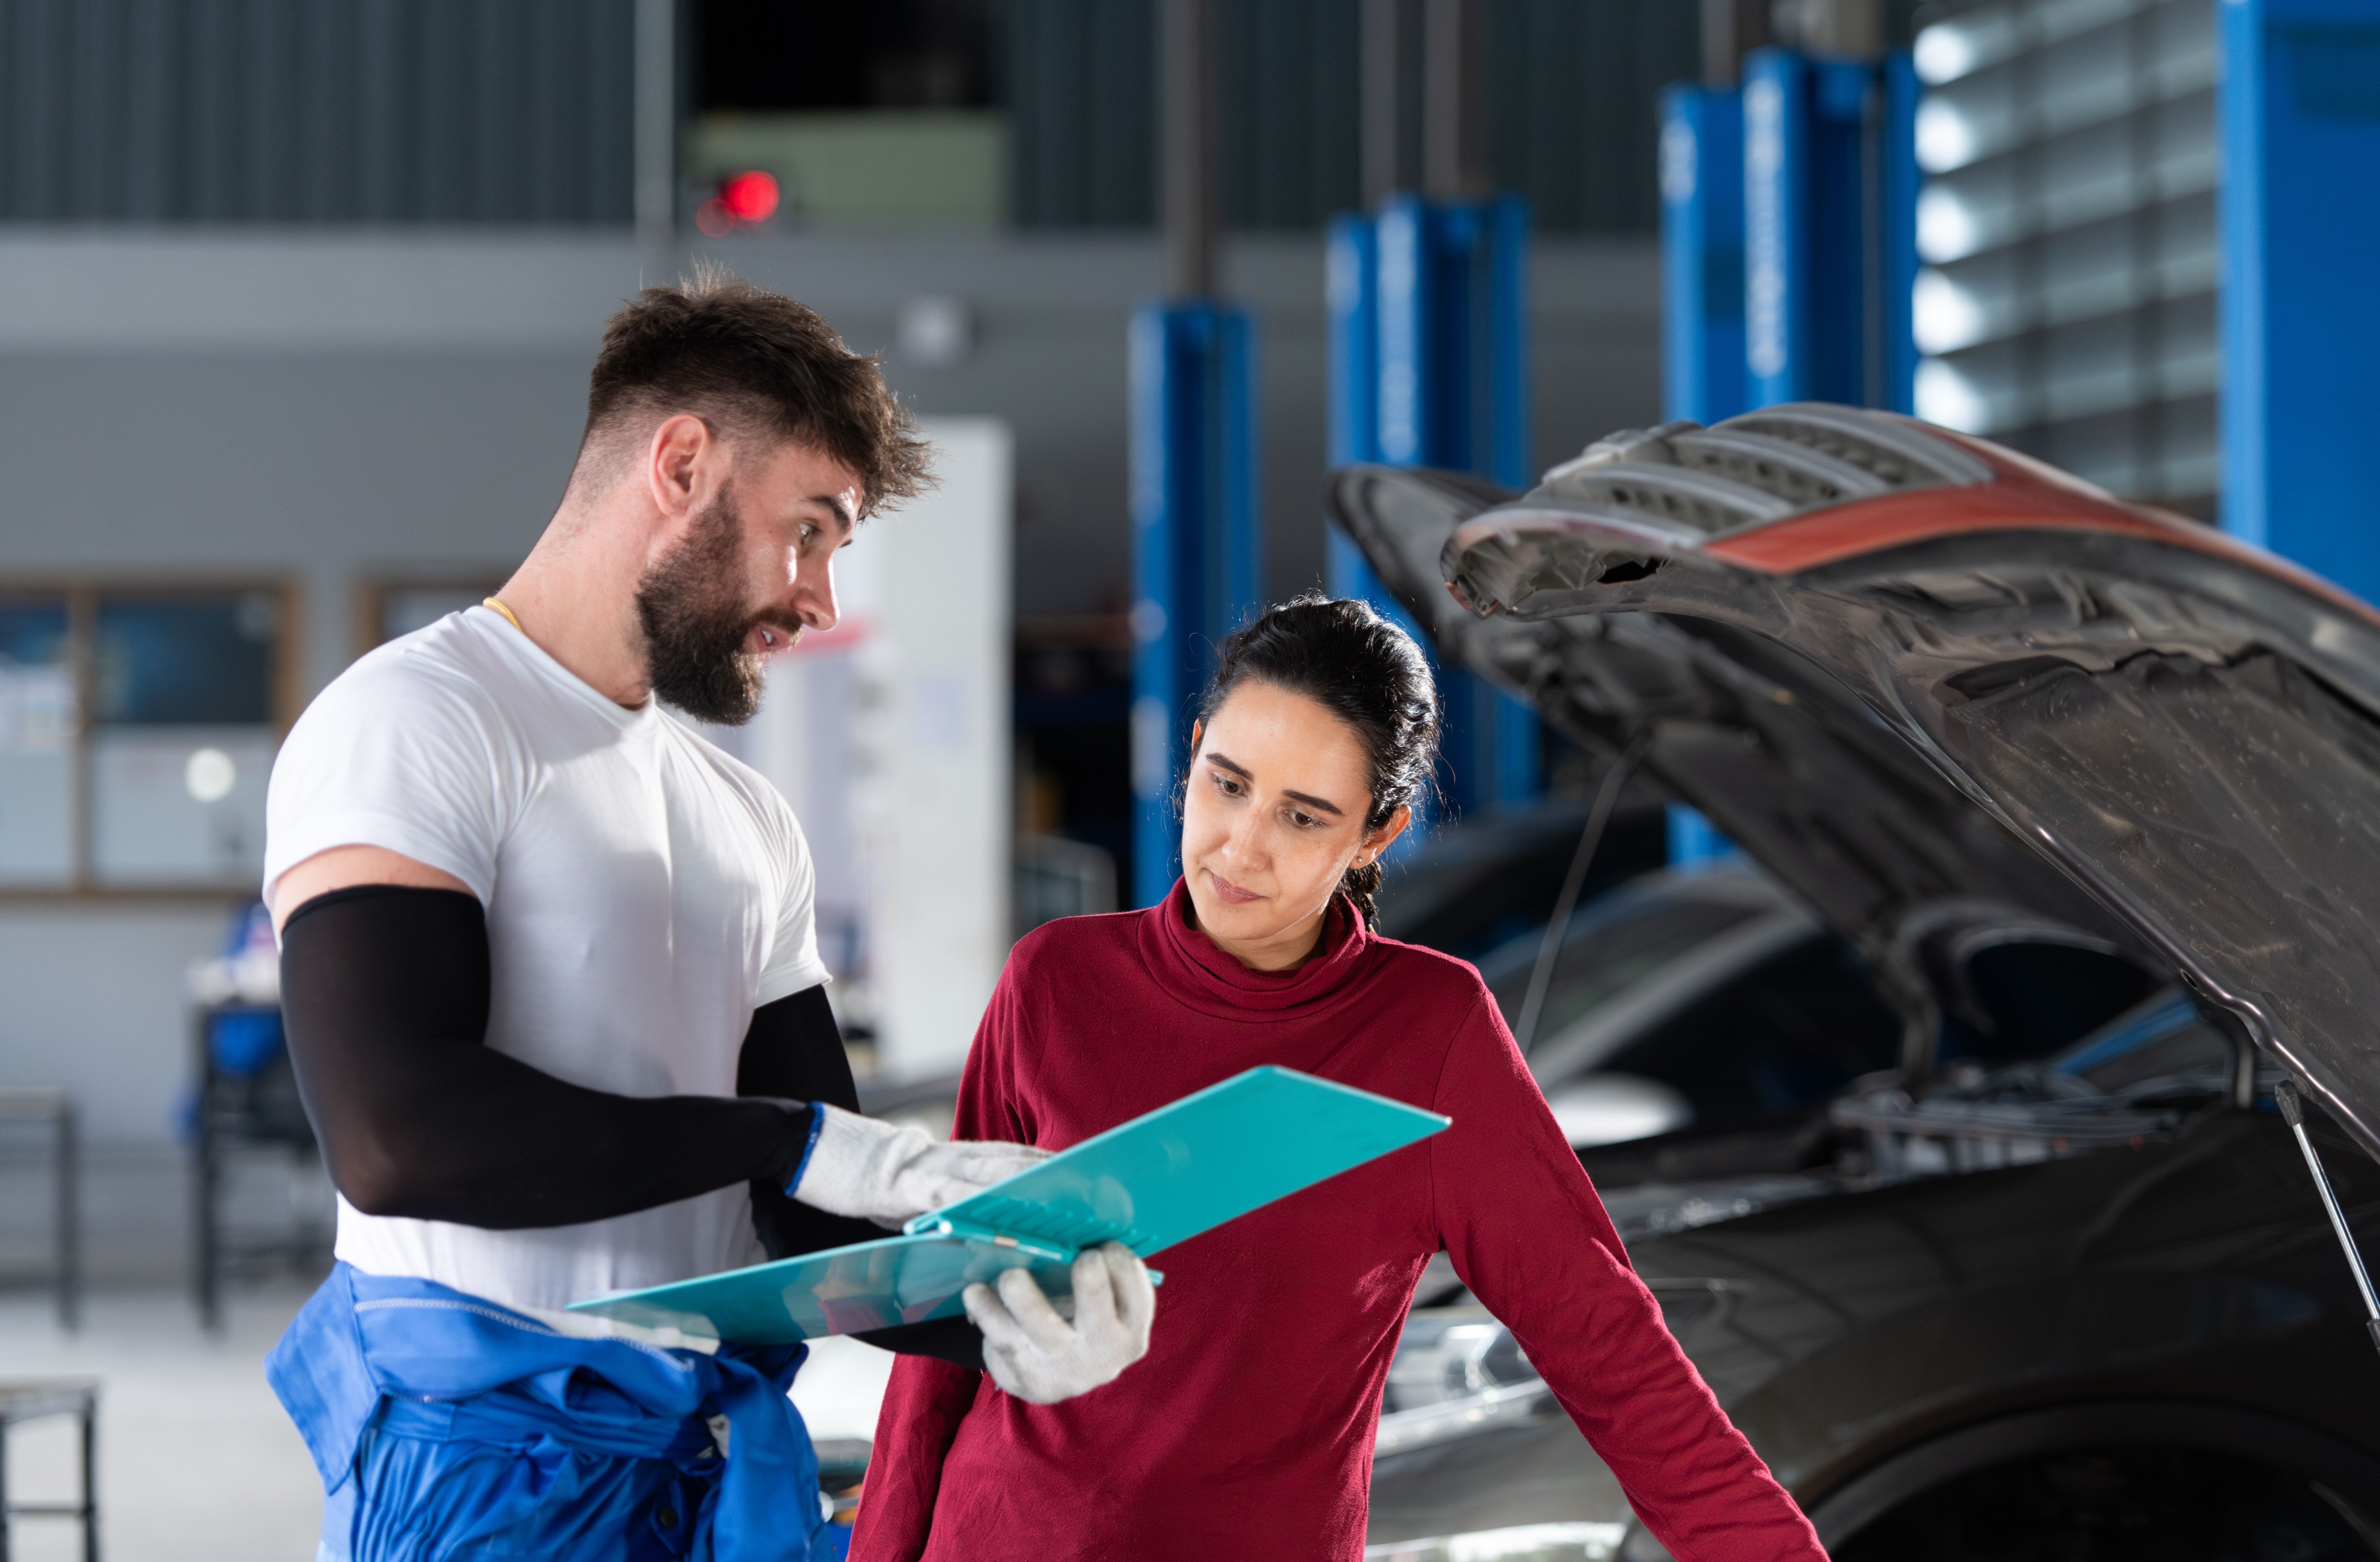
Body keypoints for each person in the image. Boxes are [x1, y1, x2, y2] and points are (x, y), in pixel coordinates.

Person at [260, 273, 1155, 1562]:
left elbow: (810, 1225)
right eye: (810, 531)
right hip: (483, 1482)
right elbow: (398, 1137)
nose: (820, 601)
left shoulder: (746, 817)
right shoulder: (415, 720)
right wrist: (796, 1141)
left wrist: (1010, 1316)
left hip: (702, 1465)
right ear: (681, 463)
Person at [851, 595, 1829, 1562]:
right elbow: (942, 1340)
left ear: (1377, 834)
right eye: (1225, 783)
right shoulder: (1055, 981)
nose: (1241, 846)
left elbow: (1609, 1346)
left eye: (1304, 816)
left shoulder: (1430, 1034)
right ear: (1191, 751)